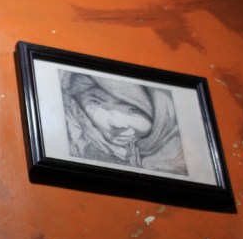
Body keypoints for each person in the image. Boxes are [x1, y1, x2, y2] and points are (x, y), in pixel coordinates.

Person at [60, 71, 188, 175]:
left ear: (161, 114)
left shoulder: (182, 158)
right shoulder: (76, 146)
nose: (117, 124)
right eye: (97, 103)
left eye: (134, 109)